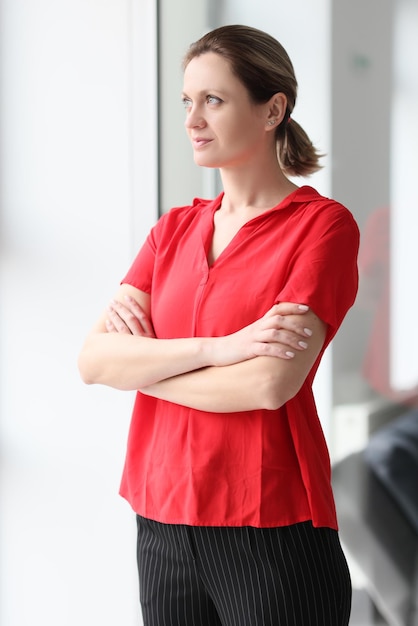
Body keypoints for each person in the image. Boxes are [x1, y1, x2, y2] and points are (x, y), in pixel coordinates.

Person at [78, 24, 359, 626]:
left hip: (269, 524)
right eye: (186, 101)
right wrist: (222, 347)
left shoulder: (322, 228)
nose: (192, 119)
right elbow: (94, 361)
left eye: (214, 100)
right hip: (160, 519)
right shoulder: (173, 229)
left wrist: (145, 370)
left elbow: (267, 385)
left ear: (272, 109)